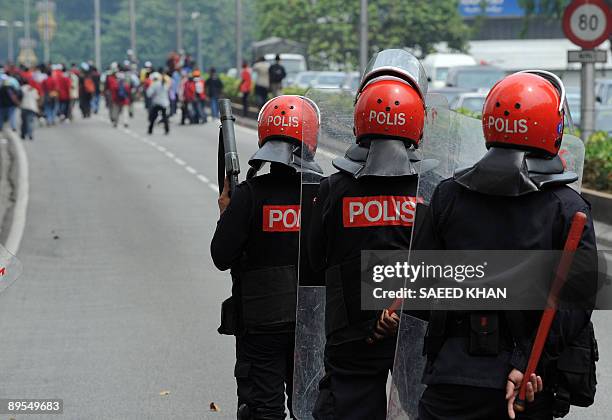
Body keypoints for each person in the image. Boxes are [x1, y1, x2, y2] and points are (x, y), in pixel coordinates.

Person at [413, 71, 598, 420]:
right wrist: (526, 362)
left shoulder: (448, 195)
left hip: (450, 378)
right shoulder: (568, 209)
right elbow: (575, 303)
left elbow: (422, 290)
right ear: (553, 128)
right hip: (525, 383)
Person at [307, 50, 429, 420]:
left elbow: (314, 263)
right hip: (416, 330)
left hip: (351, 335)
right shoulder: (435, 190)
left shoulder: (333, 189)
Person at [211, 95, 322, 420]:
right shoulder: (324, 192)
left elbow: (221, 256)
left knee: (262, 410)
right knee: (311, 408)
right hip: (312, 325)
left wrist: (225, 213)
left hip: (260, 325)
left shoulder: (249, 194)